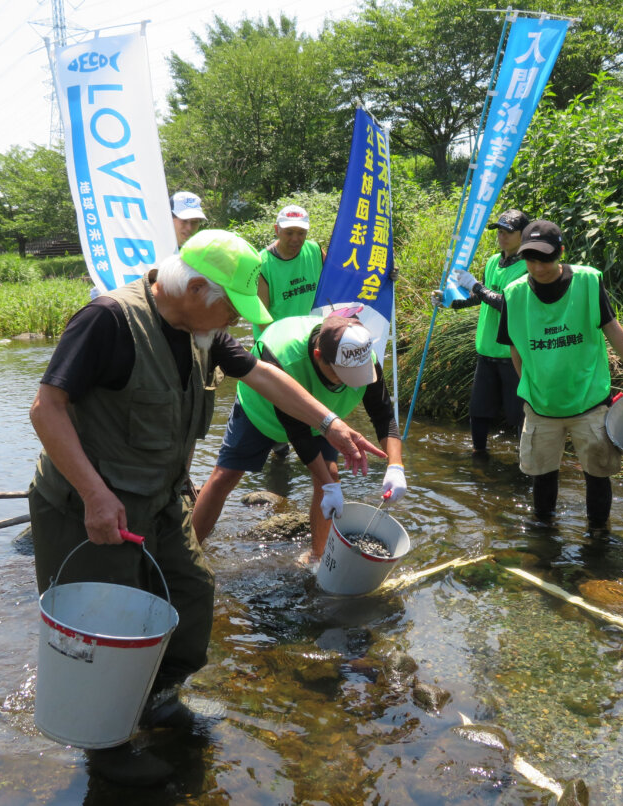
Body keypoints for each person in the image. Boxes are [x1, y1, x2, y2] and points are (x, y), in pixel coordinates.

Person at [27, 229, 384, 786]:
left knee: (193, 590)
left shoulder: (200, 330)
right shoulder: (107, 321)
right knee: (108, 627)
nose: (234, 324)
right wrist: (95, 495)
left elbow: (263, 375)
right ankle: (106, 749)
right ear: (194, 287)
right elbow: (46, 409)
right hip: (87, 506)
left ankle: (158, 700)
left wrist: (331, 423)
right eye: (229, 309)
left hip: (160, 500)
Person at [192, 312, 405, 563]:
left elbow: (383, 414)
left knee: (330, 475)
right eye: (340, 375)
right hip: (261, 411)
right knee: (225, 476)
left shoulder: (359, 353)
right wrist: (329, 486)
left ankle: (318, 557)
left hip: (328, 421)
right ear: (317, 356)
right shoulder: (286, 359)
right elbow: (299, 434)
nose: (347, 384)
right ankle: (189, 549)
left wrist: (395, 466)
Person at [495, 219, 623, 529]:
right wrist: (529, 384)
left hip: (590, 402)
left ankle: (598, 538)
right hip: (541, 406)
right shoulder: (514, 295)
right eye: (531, 259)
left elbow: (611, 327)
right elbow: (515, 346)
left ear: (561, 252)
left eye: (545, 258)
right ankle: (545, 538)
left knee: (598, 474)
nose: (538, 267)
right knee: (542, 478)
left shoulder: (587, 282)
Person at [435, 209, 530, 456]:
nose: (501, 236)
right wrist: (451, 301)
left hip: (513, 355)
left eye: (508, 232)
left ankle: (527, 463)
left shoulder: (527, 268)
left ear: (523, 235)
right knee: (478, 410)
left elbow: (506, 303)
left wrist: (476, 284)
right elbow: (480, 297)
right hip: (486, 350)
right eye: (499, 231)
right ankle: (479, 456)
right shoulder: (491, 262)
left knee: (518, 414)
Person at [254, 204, 327, 338]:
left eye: (301, 233)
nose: (295, 239)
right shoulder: (262, 264)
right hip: (273, 340)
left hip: (308, 336)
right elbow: (262, 318)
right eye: (289, 233)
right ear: (277, 230)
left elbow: (334, 281)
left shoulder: (315, 251)